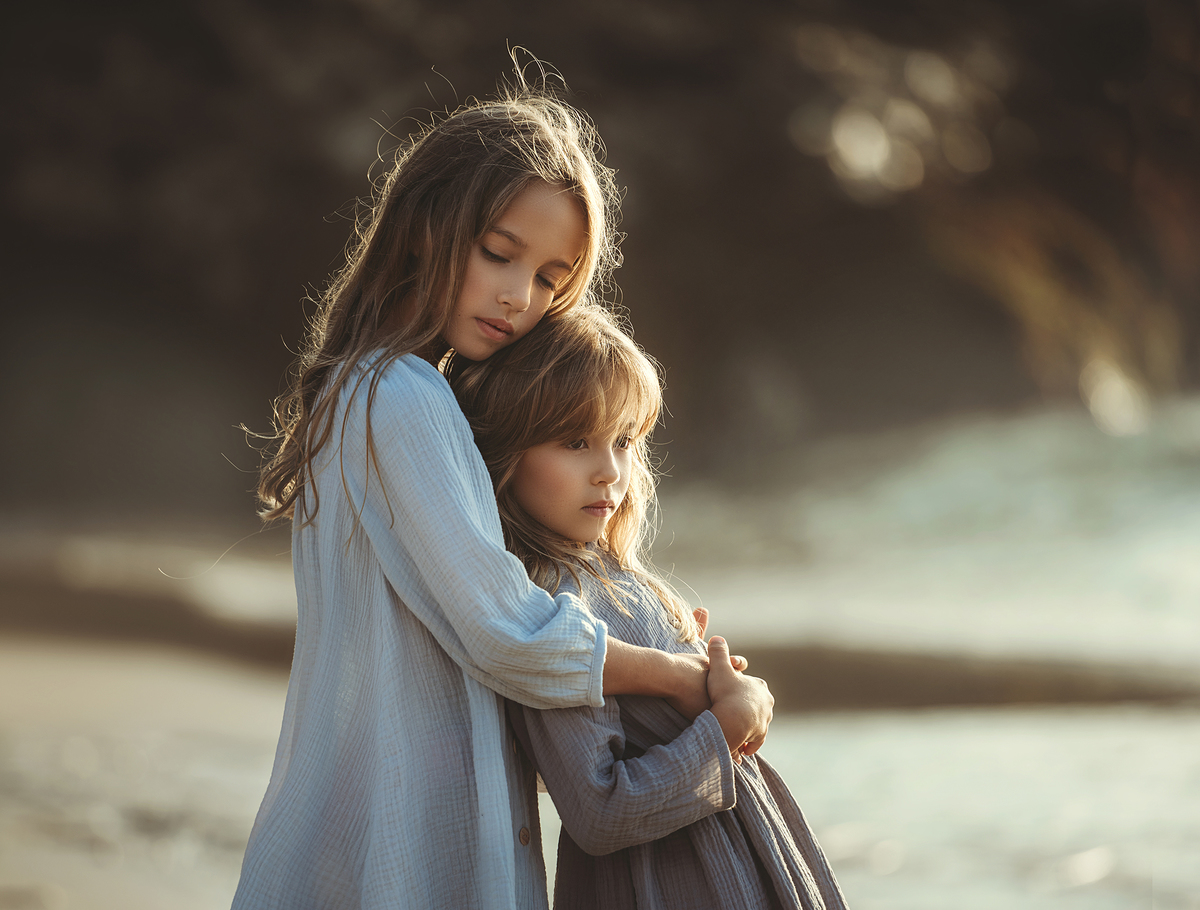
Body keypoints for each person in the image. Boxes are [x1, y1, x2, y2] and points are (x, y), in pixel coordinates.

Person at [231, 75, 768, 910]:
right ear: (424, 227)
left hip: (366, 836)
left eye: (553, 277)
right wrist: (676, 680)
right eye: (499, 252)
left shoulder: (367, 389)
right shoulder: (400, 395)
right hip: (401, 852)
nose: (521, 298)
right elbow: (506, 632)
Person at [449, 304, 848, 910]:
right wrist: (725, 729)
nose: (609, 471)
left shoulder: (614, 578)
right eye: (575, 441)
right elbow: (601, 810)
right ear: (506, 453)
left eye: (624, 440)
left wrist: (712, 681)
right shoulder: (551, 608)